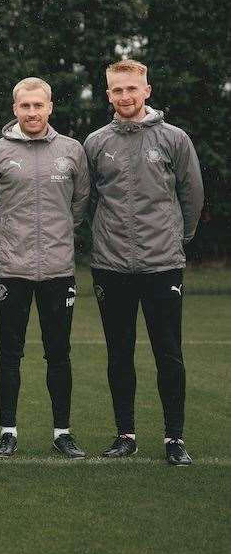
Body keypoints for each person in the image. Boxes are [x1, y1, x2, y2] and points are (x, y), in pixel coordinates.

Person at [84, 59, 204, 466]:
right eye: (117, 90)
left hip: (161, 265)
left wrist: (177, 239)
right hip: (111, 265)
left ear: (146, 91)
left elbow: (192, 195)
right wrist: (102, 241)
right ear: (108, 95)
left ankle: (174, 438)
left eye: (132, 89)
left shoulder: (174, 139)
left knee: (168, 352)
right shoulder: (96, 143)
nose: (125, 96)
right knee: (120, 353)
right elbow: (88, 201)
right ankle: (125, 434)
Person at [0, 77, 90, 459]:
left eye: (38, 106)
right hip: (12, 269)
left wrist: (56, 238)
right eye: (25, 106)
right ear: (15, 109)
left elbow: (79, 206)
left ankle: (63, 431)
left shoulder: (72, 151)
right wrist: (7, 240)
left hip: (58, 269)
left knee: (59, 353)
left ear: (50, 107)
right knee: (10, 353)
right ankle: (8, 431)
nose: (32, 113)